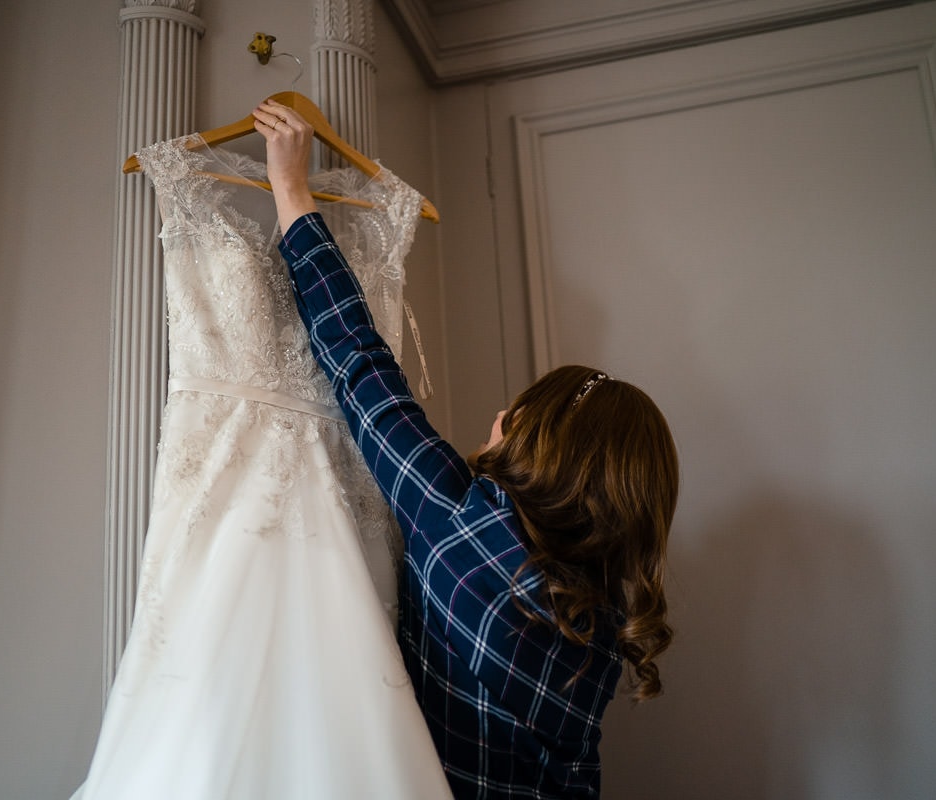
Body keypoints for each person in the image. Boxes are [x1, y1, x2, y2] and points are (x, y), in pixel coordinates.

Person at [255, 98, 680, 799]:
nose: (501, 412)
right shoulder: (600, 625)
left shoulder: (466, 522)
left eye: (523, 412)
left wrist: (291, 190)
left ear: (542, 445)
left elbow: (361, 365)